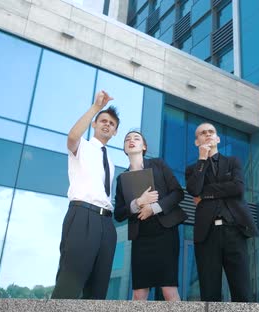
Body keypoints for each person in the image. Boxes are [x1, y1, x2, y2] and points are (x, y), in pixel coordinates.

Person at [51, 90, 118, 300]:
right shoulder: (83, 147)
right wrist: (96, 107)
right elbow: (71, 137)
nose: (107, 125)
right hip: (83, 216)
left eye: (112, 124)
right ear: (94, 124)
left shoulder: (111, 161)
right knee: (69, 285)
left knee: (97, 291)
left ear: (115, 132)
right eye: (103, 121)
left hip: (107, 224)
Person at [185, 122, 258, 302]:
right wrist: (202, 160)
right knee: (209, 293)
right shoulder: (192, 169)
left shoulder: (233, 162)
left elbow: (238, 188)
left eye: (211, 132)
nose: (208, 134)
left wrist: (206, 193)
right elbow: (194, 190)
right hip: (206, 235)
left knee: (242, 292)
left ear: (217, 138)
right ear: (197, 142)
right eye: (203, 133)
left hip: (234, 230)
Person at [114, 131, 187, 301]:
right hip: (141, 238)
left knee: (169, 290)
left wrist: (154, 207)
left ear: (144, 146)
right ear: (125, 148)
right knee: (139, 293)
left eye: (136, 138)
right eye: (127, 139)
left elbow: (177, 193)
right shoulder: (121, 178)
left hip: (165, 234)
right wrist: (138, 203)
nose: (131, 141)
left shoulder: (158, 164)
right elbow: (118, 214)